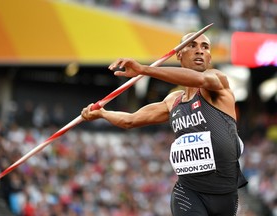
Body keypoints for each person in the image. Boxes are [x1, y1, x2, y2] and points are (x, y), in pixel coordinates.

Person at [81, 33, 247, 216]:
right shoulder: (173, 101)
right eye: (192, 45)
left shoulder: (217, 82)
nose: (200, 50)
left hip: (225, 194)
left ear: (209, 57)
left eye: (205, 47)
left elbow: (200, 80)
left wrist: (143, 70)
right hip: (188, 191)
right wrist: (103, 114)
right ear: (179, 54)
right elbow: (130, 120)